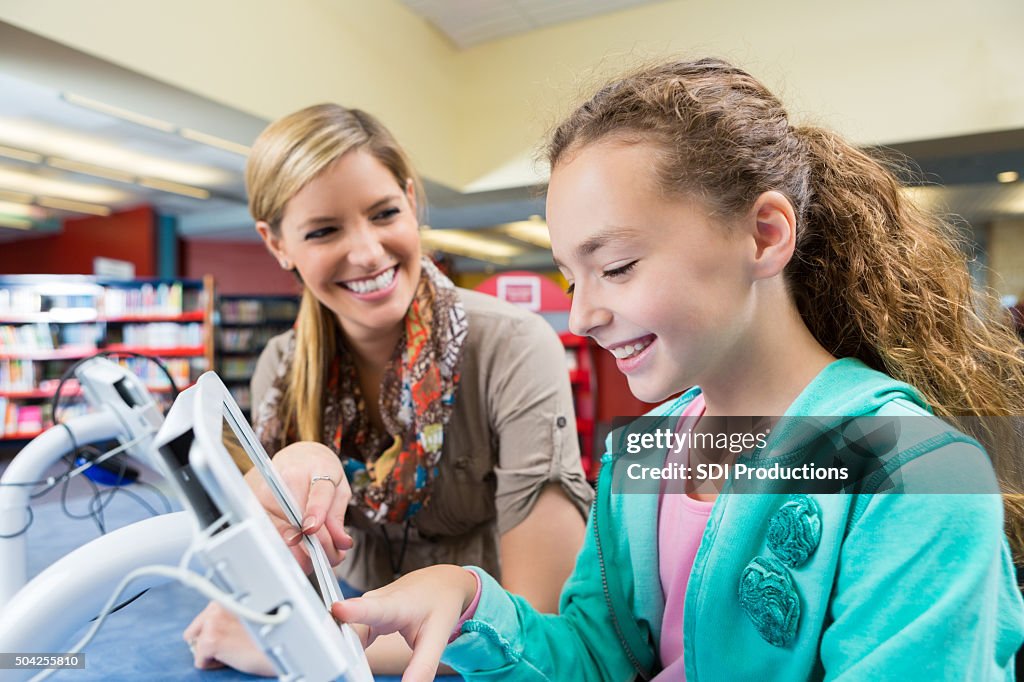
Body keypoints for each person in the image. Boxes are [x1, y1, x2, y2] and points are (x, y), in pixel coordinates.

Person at [318, 58, 1024, 680]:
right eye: (571, 280)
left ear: (764, 234)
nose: (584, 315)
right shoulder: (646, 453)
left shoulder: (913, 477)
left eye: (617, 267)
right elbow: (598, 657)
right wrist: (473, 602)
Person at [182, 103, 593, 675]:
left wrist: (302, 648)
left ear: (410, 198)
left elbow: (541, 618)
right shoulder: (280, 367)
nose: (368, 252)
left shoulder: (514, 346)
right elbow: (277, 568)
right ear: (276, 245)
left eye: (383, 213)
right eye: (324, 230)